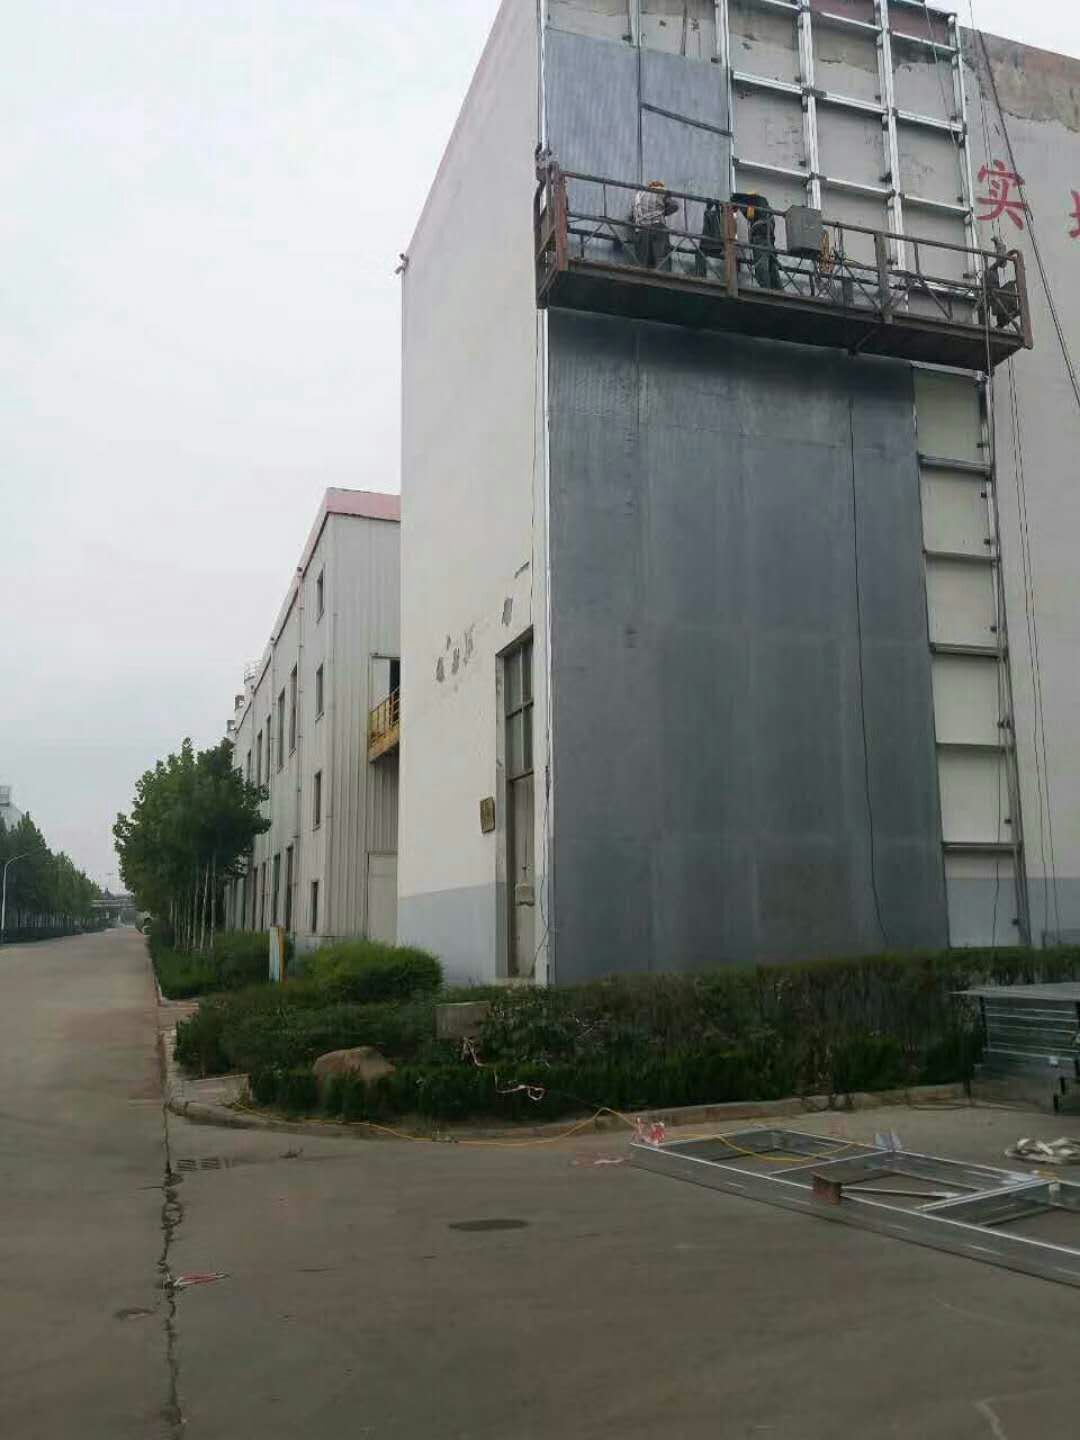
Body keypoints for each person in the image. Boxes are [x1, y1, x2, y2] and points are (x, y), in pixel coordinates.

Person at [632, 179, 678, 269]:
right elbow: (674, 205)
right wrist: (664, 212)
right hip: (658, 228)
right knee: (661, 258)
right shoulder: (660, 191)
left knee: (644, 262)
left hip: (642, 231)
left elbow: (632, 216)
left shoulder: (638, 196)